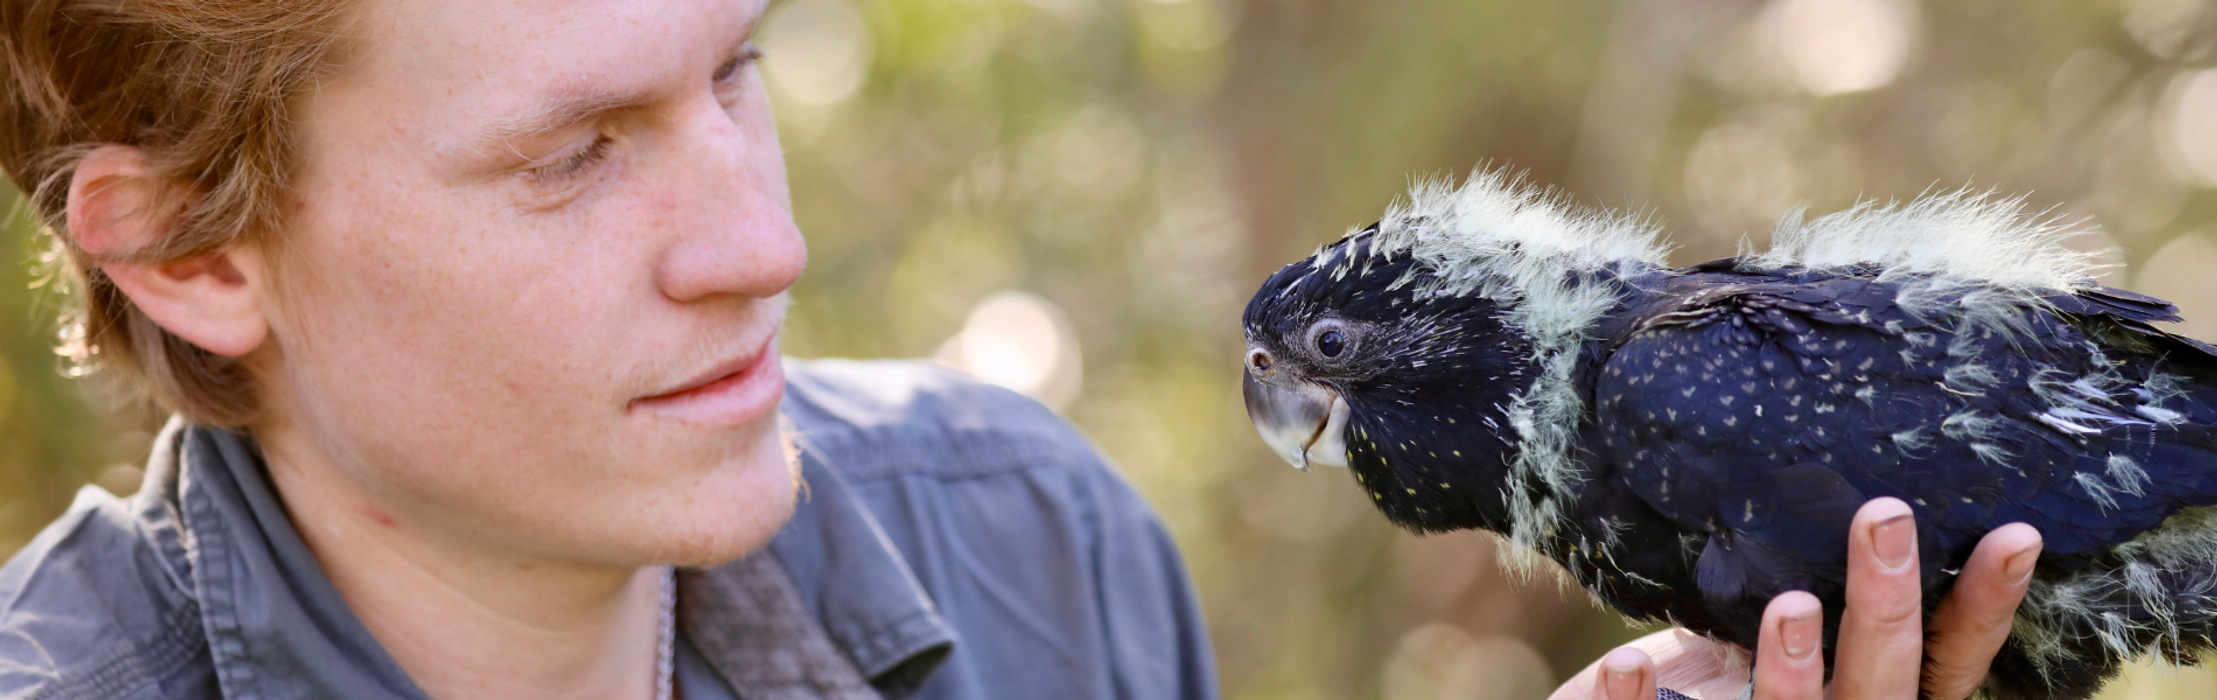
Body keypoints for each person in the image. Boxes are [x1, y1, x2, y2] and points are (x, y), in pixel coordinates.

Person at [0, 0, 2035, 698]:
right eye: (571, 157)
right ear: (187, 248)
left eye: (736, 72)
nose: (758, 244)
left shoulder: (1033, 549)